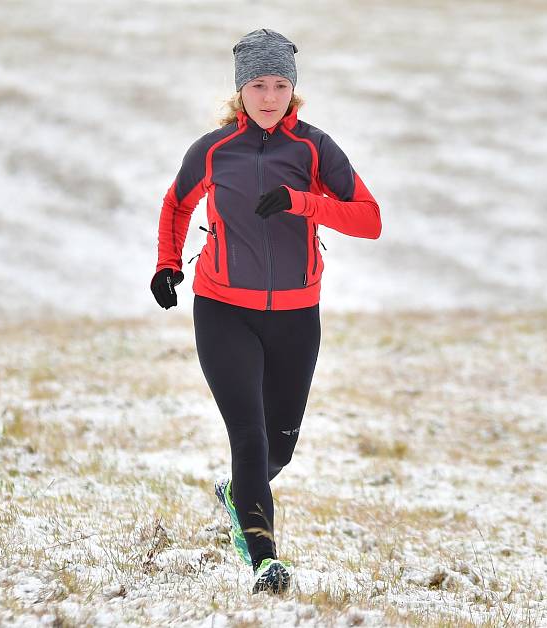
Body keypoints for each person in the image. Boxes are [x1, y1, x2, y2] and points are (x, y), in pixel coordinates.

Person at [150, 28, 381, 595]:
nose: (270, 96)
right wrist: (167, 264)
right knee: (249, 438)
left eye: (280, 84)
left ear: (293, 88)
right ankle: (263, 559)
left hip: (297, 317)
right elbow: (177, 204)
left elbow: (369, 219)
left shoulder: (313, 149)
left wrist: (304, 202)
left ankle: (237, 492)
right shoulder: (212, 150)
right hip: (223, 307)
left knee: (280, 445)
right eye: (259, 84)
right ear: (241, 89)